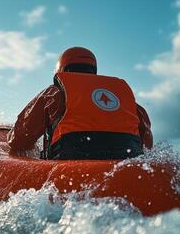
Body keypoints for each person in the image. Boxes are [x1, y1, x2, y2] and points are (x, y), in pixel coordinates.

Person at [8, 46, 153, 160]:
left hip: (70, 166)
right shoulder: (127, 101)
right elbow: (147, 146)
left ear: (61, 69)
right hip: (126, 166)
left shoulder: (54, 94)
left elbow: (20, 140)